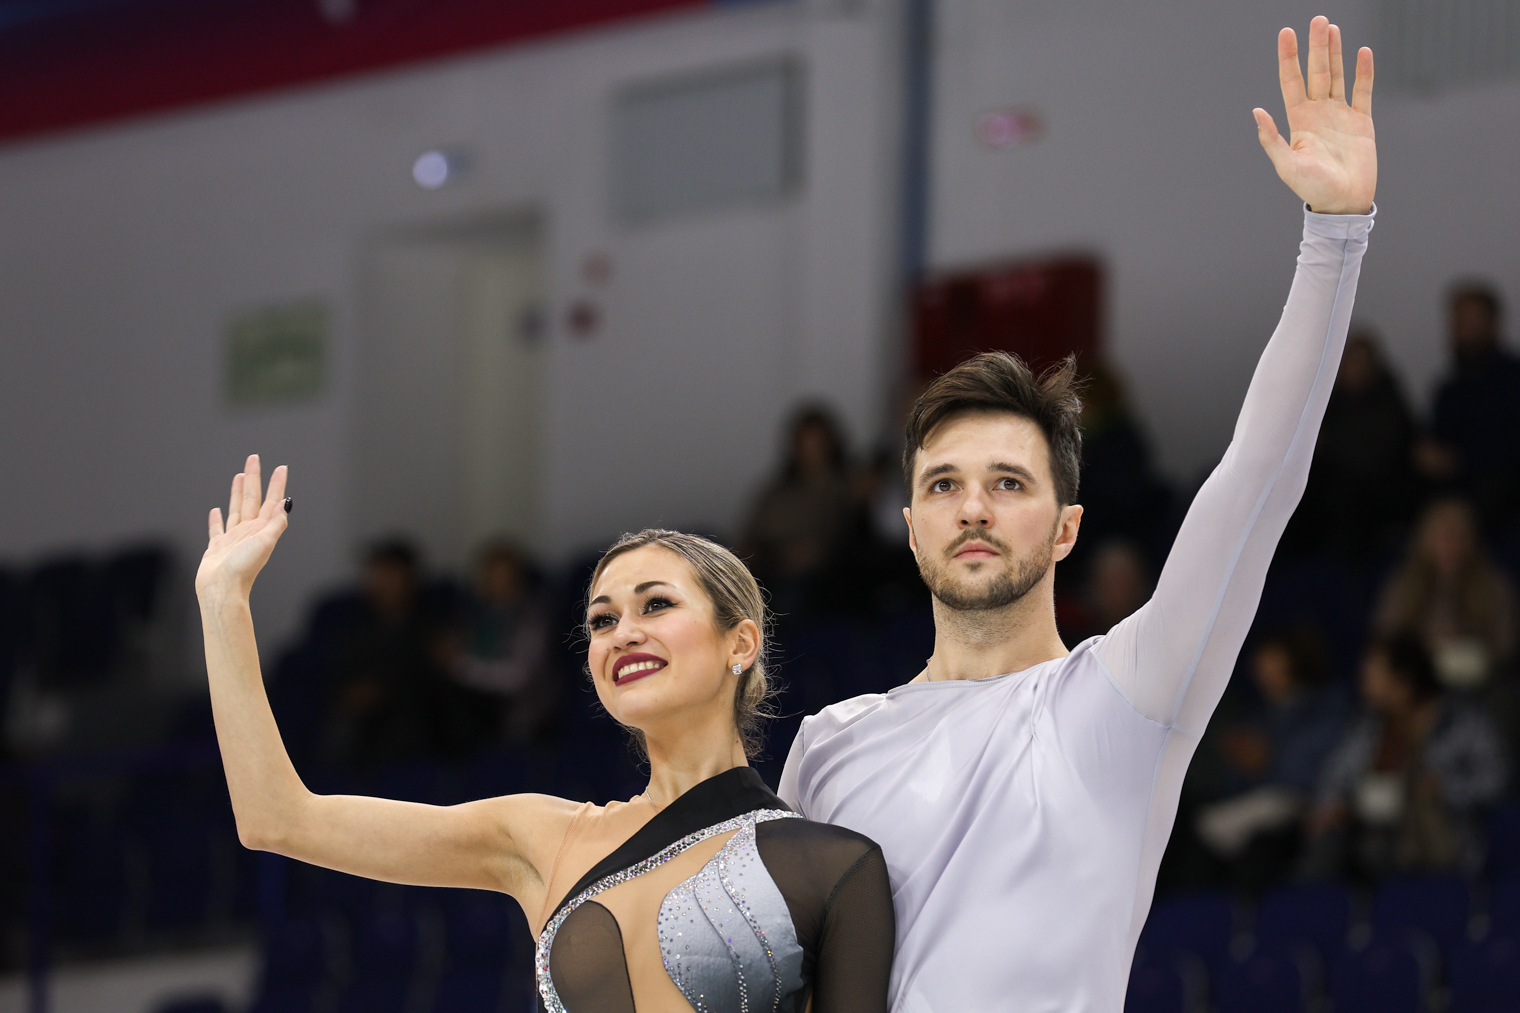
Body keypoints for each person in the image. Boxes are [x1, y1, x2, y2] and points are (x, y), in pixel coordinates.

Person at [778, 19, 1377, 1010]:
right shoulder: (826, 742)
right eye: (942, 484)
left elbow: (1256, 476)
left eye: (1008, 482)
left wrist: (1333, 238)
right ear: (911, 526)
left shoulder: (1121, 701)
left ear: (1064, 529)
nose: (971, 505)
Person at [196, 464, 893, 1013]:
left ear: (740, 641)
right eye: (600, 620)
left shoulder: (834, 866)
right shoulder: (538, 837)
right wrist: (223, 601)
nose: (622, 632)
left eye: (656, 604)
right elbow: (275, 819)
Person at [1302, 636, 1507, 879]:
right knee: (1327, 848)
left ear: (1403, 680)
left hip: (1450, 835)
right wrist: (1337, 804)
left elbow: (1495, 779)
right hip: (1374, 838)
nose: (1364, 681)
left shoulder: (1462, 719)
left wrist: (1443, 787)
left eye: (1374, 674)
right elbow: (1335, 775)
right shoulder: (1370, 725)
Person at [1194, 628, 1347, 890]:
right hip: (1258, 809)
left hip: (1308, 808)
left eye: (1270, 659)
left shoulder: (1327, 708)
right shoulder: (1260, 717)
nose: (1260, 668)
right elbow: (1231, 786)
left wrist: (1268, 761)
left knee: (1261, 848)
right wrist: (1245, 765)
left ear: (1293, 660)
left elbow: (1311, 774)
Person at [1284, 327, 1417, 559]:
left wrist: (1330, 445)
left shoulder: (1387, 400)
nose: (1356, 367)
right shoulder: (1327, 402)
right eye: (1350, 360)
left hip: (1374, 488)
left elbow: (1384, 448)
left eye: (1363, 361)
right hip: (1330, 485)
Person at [1374, 497, 1517, 689]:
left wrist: (1470, 653)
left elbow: (1505, 649)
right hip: (1417, 687)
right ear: (1426, 540)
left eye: (1461, 538)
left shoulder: (1494, 586)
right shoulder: (1403, 586)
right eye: (1445, 538)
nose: (1453, 547)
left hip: (1481, 687)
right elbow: (1386, 641)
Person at [1415, 282, 1520, 532]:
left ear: (1491, 322)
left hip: (1498, 489)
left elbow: (1510, 445)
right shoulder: (1448, 388)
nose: (1462, 329)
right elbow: (1434, 436)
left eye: (1470, 320)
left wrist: (1460, 461)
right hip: (1452, 487)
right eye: (1457, 320)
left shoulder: (1513, 379)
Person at [437, 539, 556, 746]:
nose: (492, 583)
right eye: (488, 576)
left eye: (501, 576)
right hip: (476, 705)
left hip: (521, 711)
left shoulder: (532, 616)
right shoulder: (472, 614)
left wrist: (459, 666)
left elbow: (517, 677)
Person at [740, 405, 855, 615]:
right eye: (805, 443)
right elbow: (749, 542)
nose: (811, 451)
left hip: (821, 580)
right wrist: (775, 557)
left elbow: (846, 537)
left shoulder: (846, 488)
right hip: (768, 571)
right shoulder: (776, 492)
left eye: (817, 443)